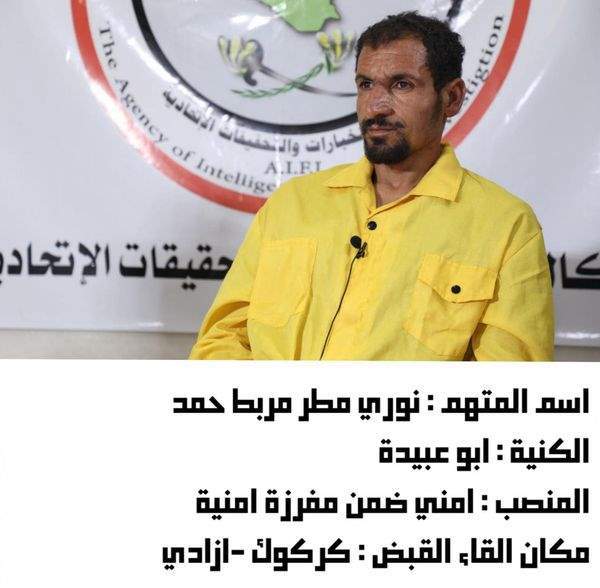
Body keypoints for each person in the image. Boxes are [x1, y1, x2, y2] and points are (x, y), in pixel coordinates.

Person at [189, 12, 554, 361]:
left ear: (451, 98)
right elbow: (223, 338)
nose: (376, 106)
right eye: (366, 84)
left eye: (401, 84)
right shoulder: (293, 203)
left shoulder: (506, 227)